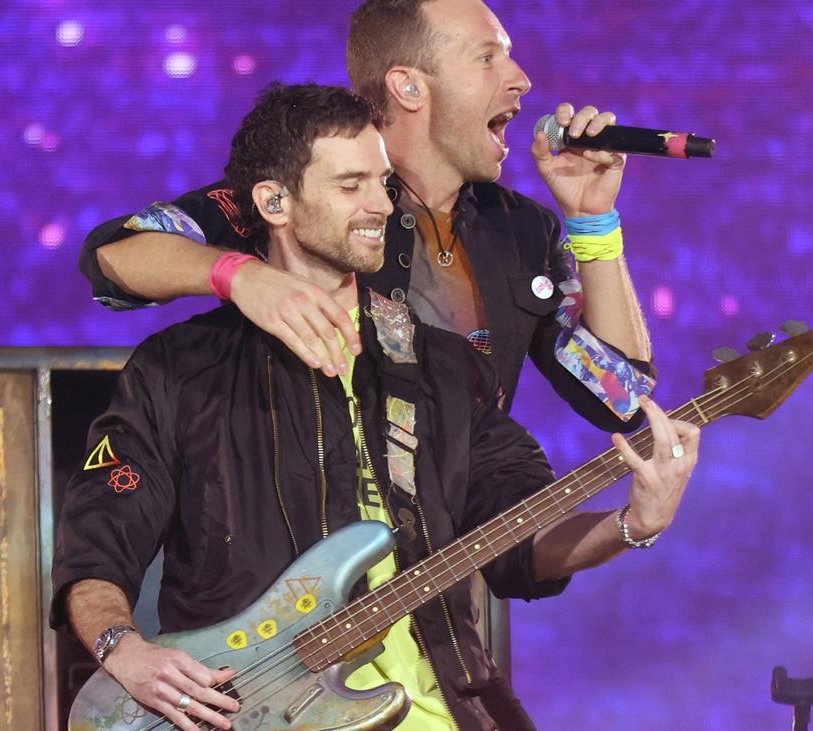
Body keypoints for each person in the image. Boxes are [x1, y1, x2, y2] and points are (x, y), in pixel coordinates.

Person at [52, 83, 699, 731]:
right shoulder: (178, 370)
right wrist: (122, 649)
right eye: (350, 185)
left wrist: (630, 524)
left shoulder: (445, 367)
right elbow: (97, 546)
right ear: (274, 203)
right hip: (259, 712)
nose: (381, 204)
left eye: (383, 183)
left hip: (449, 708)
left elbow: (520, 541)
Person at [79, 0, 654, 434]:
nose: (520, 78)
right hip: (321, 542)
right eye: (487, 58)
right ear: (409, 87)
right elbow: (115, 259)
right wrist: (244, 277)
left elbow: (622, 401)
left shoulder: (523, 229)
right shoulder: (310, 196)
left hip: (465, 547)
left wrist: (593, 220)